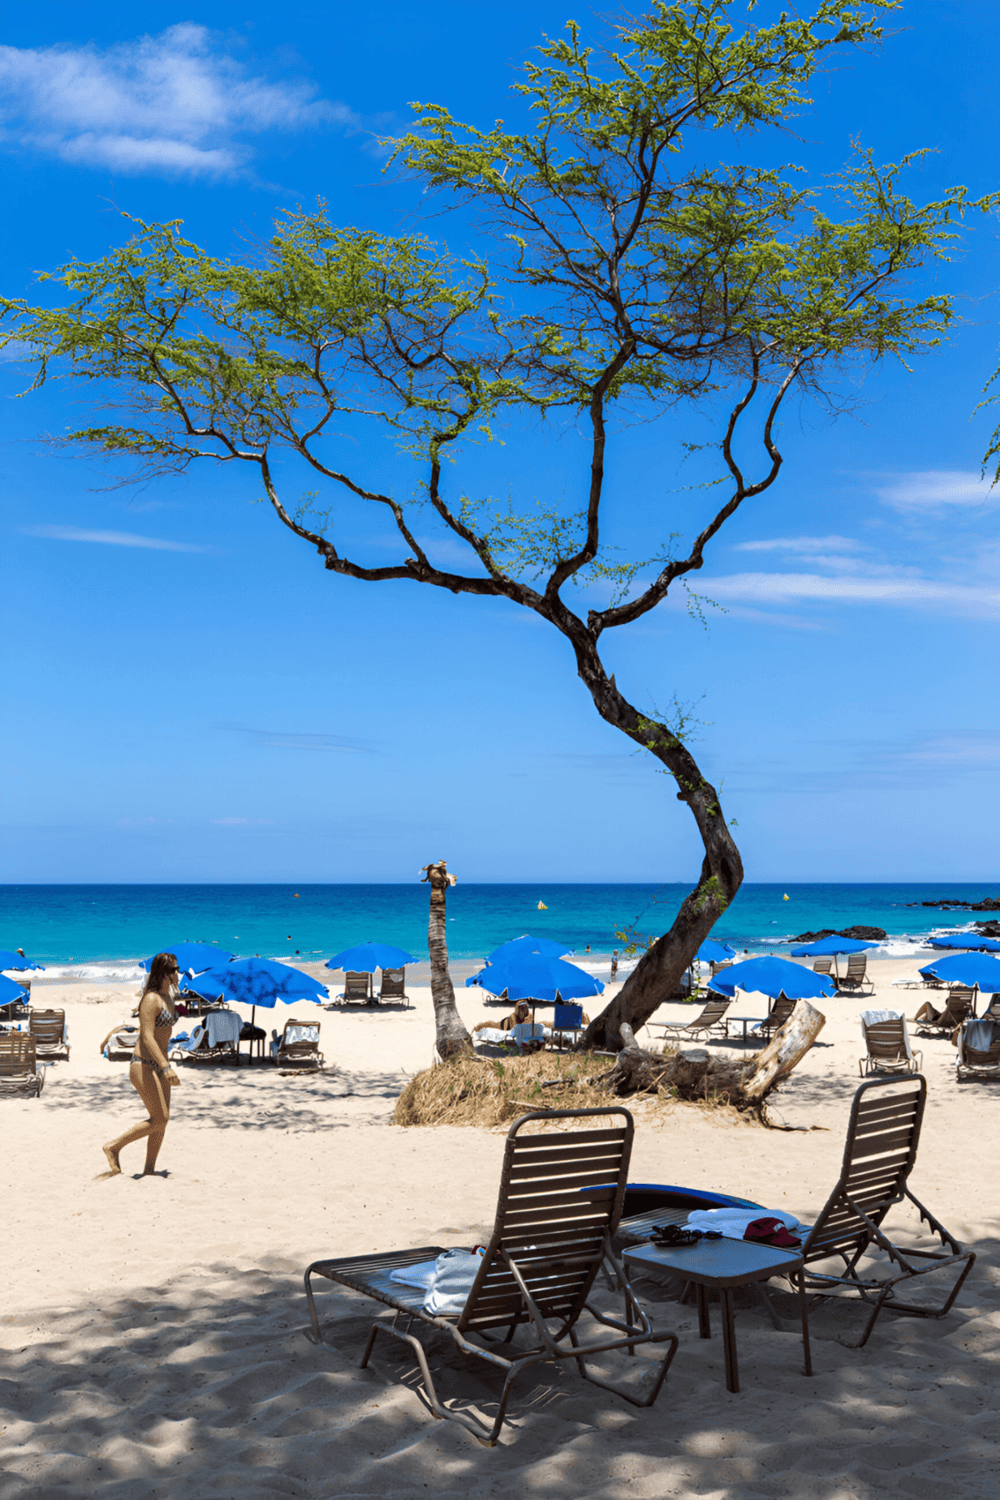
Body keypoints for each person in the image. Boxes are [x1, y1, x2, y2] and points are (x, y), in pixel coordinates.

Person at [99, 952, 182, 1179]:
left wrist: (165, 1065)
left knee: (161, 1121)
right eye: (174, 969)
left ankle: (149, 1170)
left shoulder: (168, 997)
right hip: (144, 1064)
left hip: (160, 1064)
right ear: (164, 973)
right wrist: (166, 1067)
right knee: (160, 1118)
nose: (178, 972)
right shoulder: (151, 999)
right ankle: (113, 1147)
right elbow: (147, 1036)